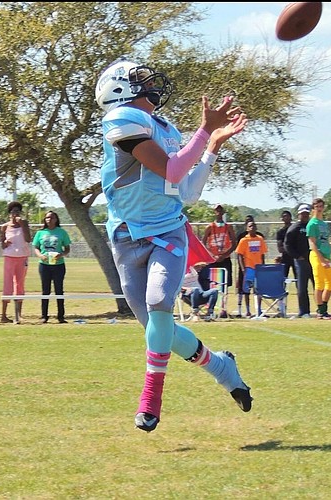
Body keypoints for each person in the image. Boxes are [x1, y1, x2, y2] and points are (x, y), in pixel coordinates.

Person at [95, 58, 251, 432]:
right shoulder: (121, 119)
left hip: (168, 231)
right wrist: (204, 133)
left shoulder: (164, 128)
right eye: (140, 79)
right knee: (159, 328)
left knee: (158, 303)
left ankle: (150, 401)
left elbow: (186, 189)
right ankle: (221, 367)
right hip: (126, 236)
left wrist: (210, 145)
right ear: (119, 90)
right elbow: (172, 169)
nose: (150, 83)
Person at [32, 211, 71, 324]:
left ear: (56, 219)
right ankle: (44, 316)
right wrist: (40, 255)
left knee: (59, 290)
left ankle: (61, 316)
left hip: (58, 265)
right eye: (47, 217)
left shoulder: (61, 232)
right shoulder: (40, 233)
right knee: (45, 290)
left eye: (52, 217)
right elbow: (36, 247)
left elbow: (67, 248)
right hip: (44, 265)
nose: (49, 219)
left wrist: (62, 254)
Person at [306, 198, 331, 320]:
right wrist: (321, 260)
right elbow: (312, 244)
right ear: (313, 208)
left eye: (321, 206)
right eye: (317, 206)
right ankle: (321, 311)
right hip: (316, 256)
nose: (319, 209)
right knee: (319, 284)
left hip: (326, 256)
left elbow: (327, 242)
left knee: (330, 284)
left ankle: (323, 309)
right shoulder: (312, 224)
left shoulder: (324, 224)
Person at [202, 204, 237, 317]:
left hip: (225, 259)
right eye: (217, 210)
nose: (219, 212)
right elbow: (203, 243)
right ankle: (210, 308)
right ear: (214, 212)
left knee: (225, 284)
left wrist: (225, 254)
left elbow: (234, 243)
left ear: (223, 212)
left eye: (220, 210)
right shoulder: (210, 227)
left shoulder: (228, 227)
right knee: (211, 283)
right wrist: (211, 255)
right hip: (212, 259)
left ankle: (223, 308)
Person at [0, 201, 32, 324]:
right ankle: (3, 315)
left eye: (17, 212)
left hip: (22, 257)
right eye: (13, 212)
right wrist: (5, 243)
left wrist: (23, 225)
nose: (15, 214)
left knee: (19, 284)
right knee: (7, 284)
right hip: (9, 257)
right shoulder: (5, 227)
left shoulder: (24, 224)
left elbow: (28, 239)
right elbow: (3, 244)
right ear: (9, 214)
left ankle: (18, 315)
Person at [283, 203, 315, 318]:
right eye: (303, 214)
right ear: (299, 214)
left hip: (314, 260)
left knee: (318, 285)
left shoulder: (312, 226)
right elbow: (287, 245)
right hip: (301, 261)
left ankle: (321, 309)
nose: (305, 215)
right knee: (302, 287)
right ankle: (304, 311)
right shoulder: (294, 228)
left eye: (307, 213)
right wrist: (297, 256)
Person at [235, 220, 268, 317]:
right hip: (249, 268)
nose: (252, 228)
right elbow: (239, 255)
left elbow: (262, 254)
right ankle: (248, 310)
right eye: (250, 226)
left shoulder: (260, 239)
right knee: (247, 290)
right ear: (247, 228)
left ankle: (258, 310)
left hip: (258, 268)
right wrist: (243, 268)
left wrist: (263, 266)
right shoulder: (244, 240)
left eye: (254, 226)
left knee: (258, 290)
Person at [276, 210, 297, 280]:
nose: (286, 218)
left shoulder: (295, 229)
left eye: (288, 216)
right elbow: (280, 248)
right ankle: (282, 291)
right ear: (282, 219)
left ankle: (300, 291)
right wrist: (289, 249)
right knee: (283, 278)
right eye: (284, 216)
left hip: (296, 257)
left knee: (298, 278)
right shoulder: (280, 232)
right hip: (285, 258)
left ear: (291, 218)